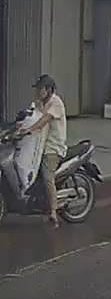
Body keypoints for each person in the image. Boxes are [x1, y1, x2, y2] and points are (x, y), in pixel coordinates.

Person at [23, 74, 67, 227]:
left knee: (47, 176)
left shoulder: (56, 102)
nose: (37, 92)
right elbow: (30, 115)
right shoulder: (39, 103)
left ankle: (53, 211)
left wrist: (29, 129)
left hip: (53, 148)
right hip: (39, 146)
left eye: (40, 89)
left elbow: (44, 120)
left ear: (48, 90)